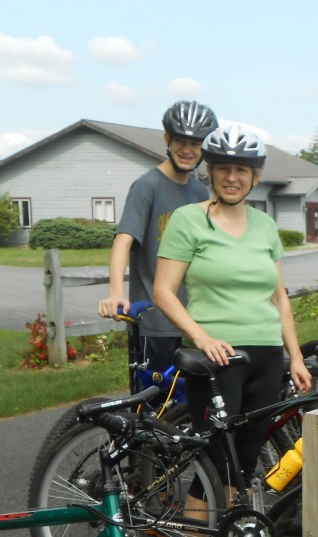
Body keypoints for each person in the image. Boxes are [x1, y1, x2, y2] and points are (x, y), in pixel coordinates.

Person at [154, 124, 312, 537]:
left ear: (255, 175)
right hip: (218, 357)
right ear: (211, 171)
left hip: (267, 357)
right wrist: (201, 337)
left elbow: (280, 296)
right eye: (224, 168)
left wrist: (296, 357)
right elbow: (163, 291)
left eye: (242, 170)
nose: (232, 177)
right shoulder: (188, 220)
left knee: (245, 461)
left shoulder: (265, 226)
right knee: (212, 460)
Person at [99, 100, 219, 374]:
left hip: (194, 320)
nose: (188, 150)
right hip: (156, 323)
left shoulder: (200, 194)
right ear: (167, 139)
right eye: (180, 141)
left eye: (196, 143)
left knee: (191, 406)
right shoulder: (147, 186)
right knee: (155, 406)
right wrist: (116, 291)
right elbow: (123, 240)